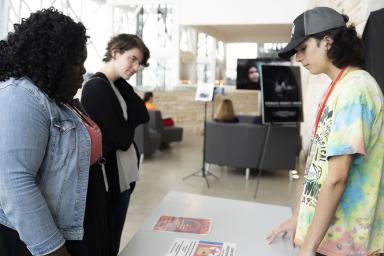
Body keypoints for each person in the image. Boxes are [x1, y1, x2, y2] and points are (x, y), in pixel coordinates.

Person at [267, 7, 384, 256]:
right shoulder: (337, 87)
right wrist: (298, 218)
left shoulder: (356, 89)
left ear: (327, 43)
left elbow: (337, 177)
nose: (298, 58)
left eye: (303, 48)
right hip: (325, 238)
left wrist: (308, 246)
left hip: (345, 243)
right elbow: (315, 167)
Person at [0, 8, 110, 256]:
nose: (83, 70)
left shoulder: (57, 96)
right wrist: (53, 249)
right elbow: (15, 184)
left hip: (81, 219)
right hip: (50, 237)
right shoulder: (20, 97)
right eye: (76, 63)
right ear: (51, 60)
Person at [81, 33, 150, 256]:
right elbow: (122, 140)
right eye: (132, 59)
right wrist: (127, 127)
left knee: (114, 238)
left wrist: (121, 81)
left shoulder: (115, 85)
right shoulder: (96, 87)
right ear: (115, 52)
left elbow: (142, 113)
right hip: (110, 179)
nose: (136, 67)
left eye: (139, 63)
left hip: (123, 177)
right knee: (108, 242)